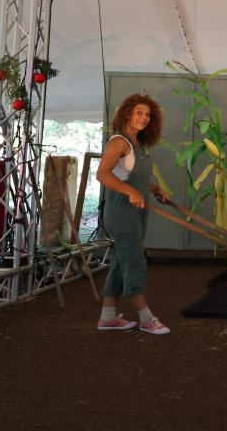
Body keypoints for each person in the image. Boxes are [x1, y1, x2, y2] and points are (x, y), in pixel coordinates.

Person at [95, 94, 171, 334]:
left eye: (148, 114)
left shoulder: (138, 146)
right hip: (121, 214)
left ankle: (107, 317)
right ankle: (145, 317)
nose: (144, 118)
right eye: (139, 112)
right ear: (127, 113)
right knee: (135, 260)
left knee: (121, 260)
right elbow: (103, 174)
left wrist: (153, 189)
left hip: (136, 212)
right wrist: (130, 191)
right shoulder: (119, 142)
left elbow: (131, 177)